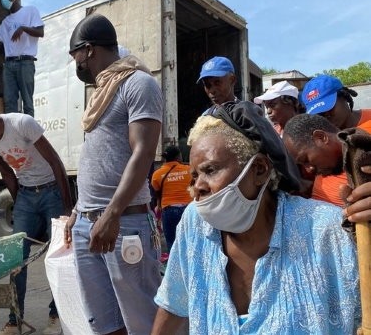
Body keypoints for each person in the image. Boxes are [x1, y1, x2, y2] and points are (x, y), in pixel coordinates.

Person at [152, 101, 360, 334]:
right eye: (194, 176)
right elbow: (173, 304)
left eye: (210, 170)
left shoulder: (327, 230)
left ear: (259, 169)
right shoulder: (195, 224)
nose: (198, 186)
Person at [64, 14, 163, 335]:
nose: (75, 62)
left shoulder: (138, 83)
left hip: (123, 223)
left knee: (143, 321)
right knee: (103, 321)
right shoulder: (103, 91)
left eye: (75, 55)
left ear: (88, 49)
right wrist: (79, 209)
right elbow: (101, 157)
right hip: (87, 224)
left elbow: (143, 153)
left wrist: (111, 214)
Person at [0, 89, 71, 335]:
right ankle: (15, 318)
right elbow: (8, 173)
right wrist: (20, 203)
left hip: (52, 191)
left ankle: (56, 313)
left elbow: (55, 162)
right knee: (16, 259)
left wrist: (68, 208)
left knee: (58, 256)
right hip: (26, 195)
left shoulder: (21, 124)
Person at [283, 113, 371, 206]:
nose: (309, 170)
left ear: (321, 137)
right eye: (302, 165)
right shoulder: (324, 182)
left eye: (306, 160)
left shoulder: (365, 135)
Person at [150, 145, 191, 252]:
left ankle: (174, 266)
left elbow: (156, 193)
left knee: (172, 243)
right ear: (178, 157)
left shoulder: (157, 174)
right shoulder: (189, 170)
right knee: (190, 241)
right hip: (189, 209)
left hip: (169, 210)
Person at [302, 74, 371, 129]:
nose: (326, 117)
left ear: (344, 96)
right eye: (319, 114)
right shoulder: (325, 141)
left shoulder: (369, 119)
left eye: (328, 108)